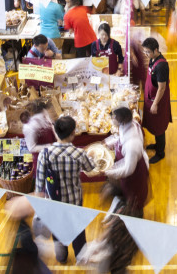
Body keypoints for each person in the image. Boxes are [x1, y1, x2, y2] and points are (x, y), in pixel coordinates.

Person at [35, 116, 95, 264]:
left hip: (54, 203)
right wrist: (91, 156)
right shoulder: (78, 154)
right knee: (78, 231)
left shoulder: (45, 153)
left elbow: (39, 183)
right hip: (74, 201)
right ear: (73, 133)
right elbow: (91, 168)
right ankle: (81, 257)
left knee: (57, 231)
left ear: (55, 133)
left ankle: (61, 257)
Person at [104, 106, 150, 214]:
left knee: (134, 202)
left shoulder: (132, 144)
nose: (112, 119)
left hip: (134, 178)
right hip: (129, 169)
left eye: (113, 118)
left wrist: (108, 172)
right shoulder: (128, 123)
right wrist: (107, 143)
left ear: (121, 120)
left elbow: (128, 170)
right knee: (127, 199)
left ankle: (136, 220)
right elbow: (120, 137)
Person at [141, 37, 171, 164]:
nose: (146, 54)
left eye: (148, 52)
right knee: (154, 125)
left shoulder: (161, 66)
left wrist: (155, 104)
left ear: (156, 50)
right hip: (150, 97)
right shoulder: (152, 59)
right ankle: (157, 145)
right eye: (145, 52)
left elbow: (162, 88)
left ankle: (160, 153)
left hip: (157, 101)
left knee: (159, 127)